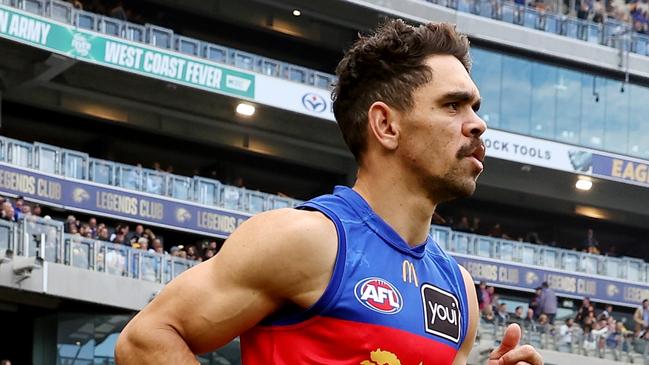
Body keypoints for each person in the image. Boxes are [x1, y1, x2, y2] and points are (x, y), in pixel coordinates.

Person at [115, 20, 542, 365]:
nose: (477, 124)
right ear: (386, 125)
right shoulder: (307, 240)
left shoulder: (459, 290)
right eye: (453, 105)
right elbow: (145, 341)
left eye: (475, 108)